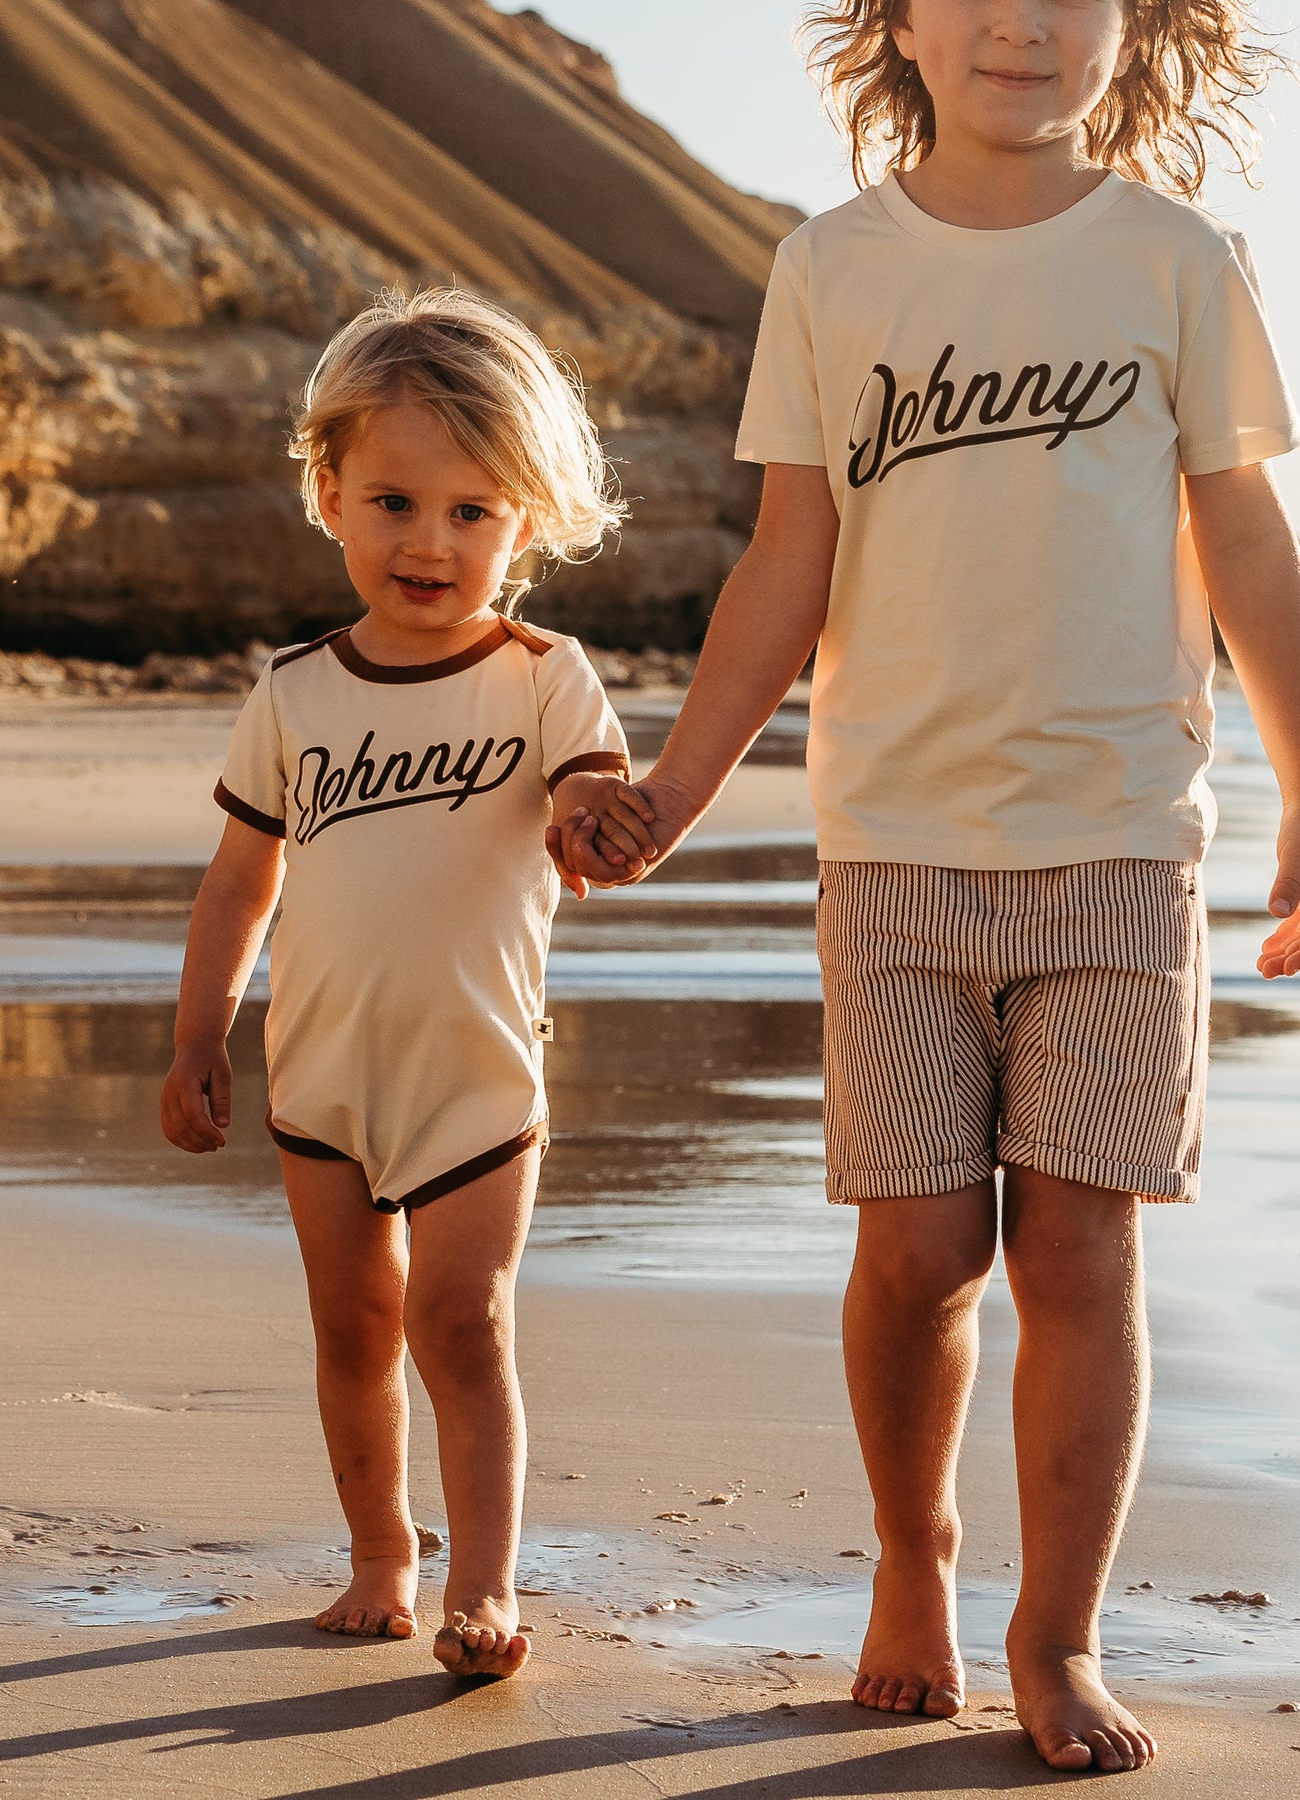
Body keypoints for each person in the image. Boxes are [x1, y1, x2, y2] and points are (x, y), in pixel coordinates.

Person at [552, 0, 1300, 1773]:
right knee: (919, 1251)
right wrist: (675, 788)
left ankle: (1058, 1634)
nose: (1019, 22)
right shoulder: (833, 267)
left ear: (1132, 24)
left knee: (1080, 1246)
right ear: (896, 20)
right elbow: (788, 554)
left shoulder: (1181, 261)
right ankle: (914, 1556)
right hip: (889, 848)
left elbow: (1246, 538)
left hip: (1119, 845)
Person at [162, 289, 634, 1678]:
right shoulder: (295, 692)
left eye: (472, 512)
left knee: (462, 1323)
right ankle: (381, 1555)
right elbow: (239, 884)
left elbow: (593, 793)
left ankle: (485, 1586)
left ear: (524, 522)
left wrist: (595, 826)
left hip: (478, 1073)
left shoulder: (545, 678)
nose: (431, 543)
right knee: (354, 1326)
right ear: (330, 496)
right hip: (322, 1074)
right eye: (394, 503)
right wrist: (199, 1037)